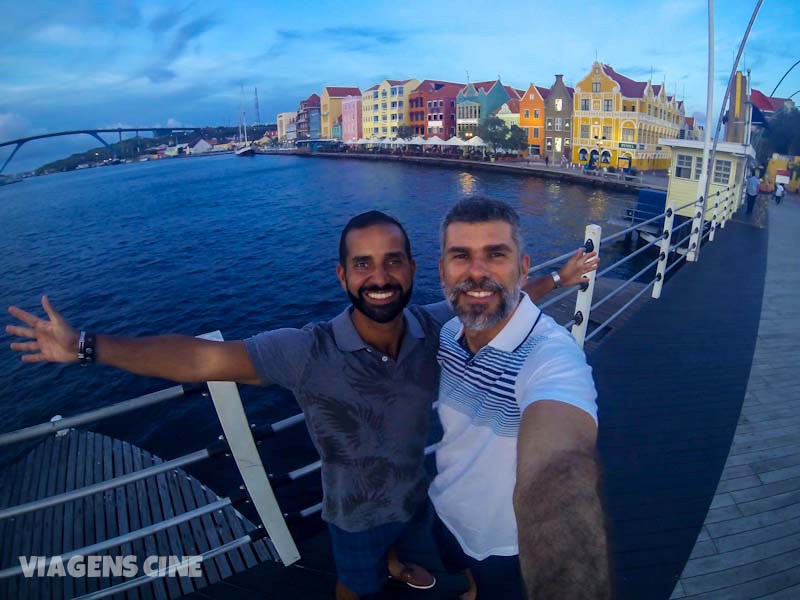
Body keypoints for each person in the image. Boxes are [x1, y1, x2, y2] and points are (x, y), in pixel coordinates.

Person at [6, 210, 598, 600]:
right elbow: (203, 360)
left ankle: (409, 567)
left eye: (393, 261)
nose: (380, 277)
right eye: (363, 265)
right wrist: (87, 347)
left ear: (416, 270)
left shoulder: (432, 326)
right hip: (355, 511)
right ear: (343, 277)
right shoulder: (307, 351)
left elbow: (488, 300)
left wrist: (559, 279)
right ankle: (380, 570)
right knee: (355, 584)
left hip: (422, 497)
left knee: (431, 553)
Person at [430, 197, 610, 600]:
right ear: (442, 271)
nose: (477, 273)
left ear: (522, 267)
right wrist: (560, 280)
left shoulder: (552, 357)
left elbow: (559, 456)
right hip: (445, 507)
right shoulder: (448, 335)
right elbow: (494, 296)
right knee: (464, 579)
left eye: (496, 255)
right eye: (461, 256)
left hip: (503, 541)